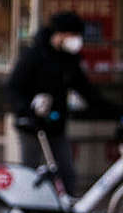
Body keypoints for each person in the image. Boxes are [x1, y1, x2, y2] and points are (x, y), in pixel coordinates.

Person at [8, 11, 116, 198]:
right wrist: (27, 110)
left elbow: (85, 89)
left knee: (66, 174)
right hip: (31, 125)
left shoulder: (69, 60)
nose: (77, 40)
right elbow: (13, 87)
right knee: (29, 173)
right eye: (74, 35)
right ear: (61, 34)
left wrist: (112, 110)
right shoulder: (34, 55)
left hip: (56, 126)